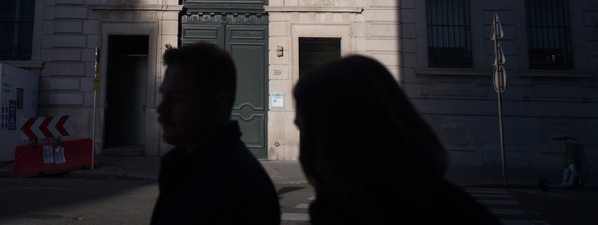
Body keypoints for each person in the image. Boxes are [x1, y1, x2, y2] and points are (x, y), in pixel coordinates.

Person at [293, 55, 501, 224]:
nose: (303, 152)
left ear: (344, 138)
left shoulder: (352, 211)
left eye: (307, 131)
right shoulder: (335, 205)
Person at [151, 42, 281, 225]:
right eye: (164, 96)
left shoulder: (245, 189)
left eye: (176, 99)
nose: (161, 109)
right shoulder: (176, 166)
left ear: (217, 106)